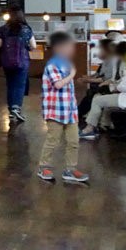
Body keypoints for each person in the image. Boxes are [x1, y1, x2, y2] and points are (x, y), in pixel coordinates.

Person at [37, 31, 89, 184]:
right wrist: (72, 75)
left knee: (74, 141)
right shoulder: (52, 65)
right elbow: (58, 84)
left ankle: (70, 169)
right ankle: (43, 167)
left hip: (69, 110)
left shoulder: (66, 64)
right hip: (55, 110)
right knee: (53, 140)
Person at [80, 42, 126, 140]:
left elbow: (123, 87)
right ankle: (102, 125)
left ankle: (90, 129)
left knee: (98, 100)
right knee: (100, 97)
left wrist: (113, 88)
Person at [0, 6, 35, 123]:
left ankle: (12, 110)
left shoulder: (3, 29)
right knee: (20, 85)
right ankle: (16, 107)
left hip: (7, 62)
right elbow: (33, 46)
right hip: (22, 61)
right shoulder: (26, 29)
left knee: (10, 84)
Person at [79, 39, 118, 126]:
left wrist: (88, 80)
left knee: (93, 93)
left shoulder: (112, 61)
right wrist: (89, 78)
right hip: (107, 84)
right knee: (91, 92)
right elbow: (99, 74)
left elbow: (105, 79)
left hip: (111, 86)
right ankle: (80, 114)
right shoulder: (107, 60)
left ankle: (81, 116)